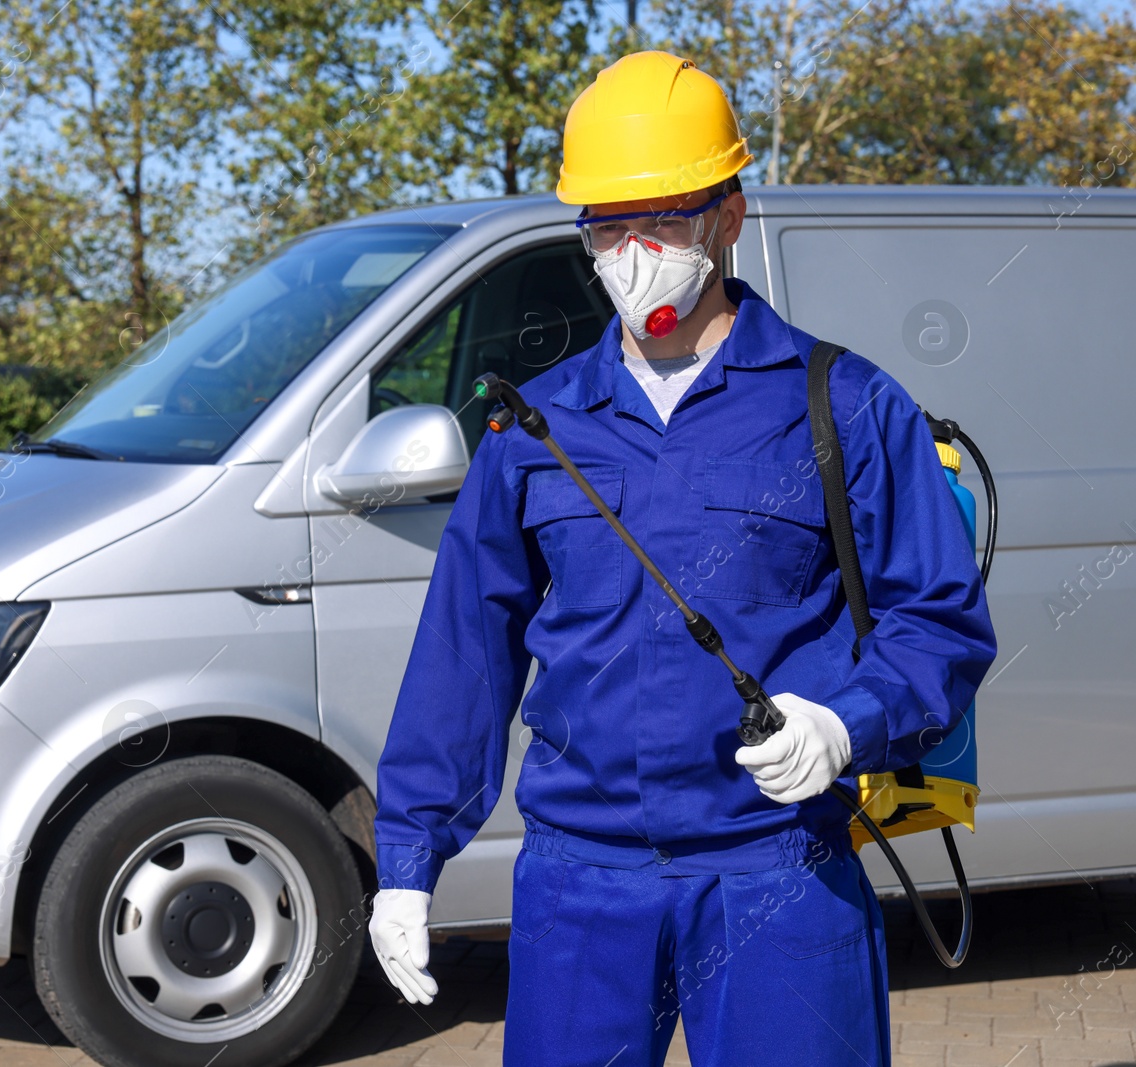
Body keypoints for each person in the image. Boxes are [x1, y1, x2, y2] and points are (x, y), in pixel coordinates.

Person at [366, 49, 996, 1066]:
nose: (630, 249)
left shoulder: (844, 406)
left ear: (728, 214)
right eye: (606, 222)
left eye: (660, 215)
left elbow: (940, 624)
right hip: (579, 885)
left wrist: (845, 723)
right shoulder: (534, 427)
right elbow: (465, 656)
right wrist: (407, 857)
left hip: (777, 872)